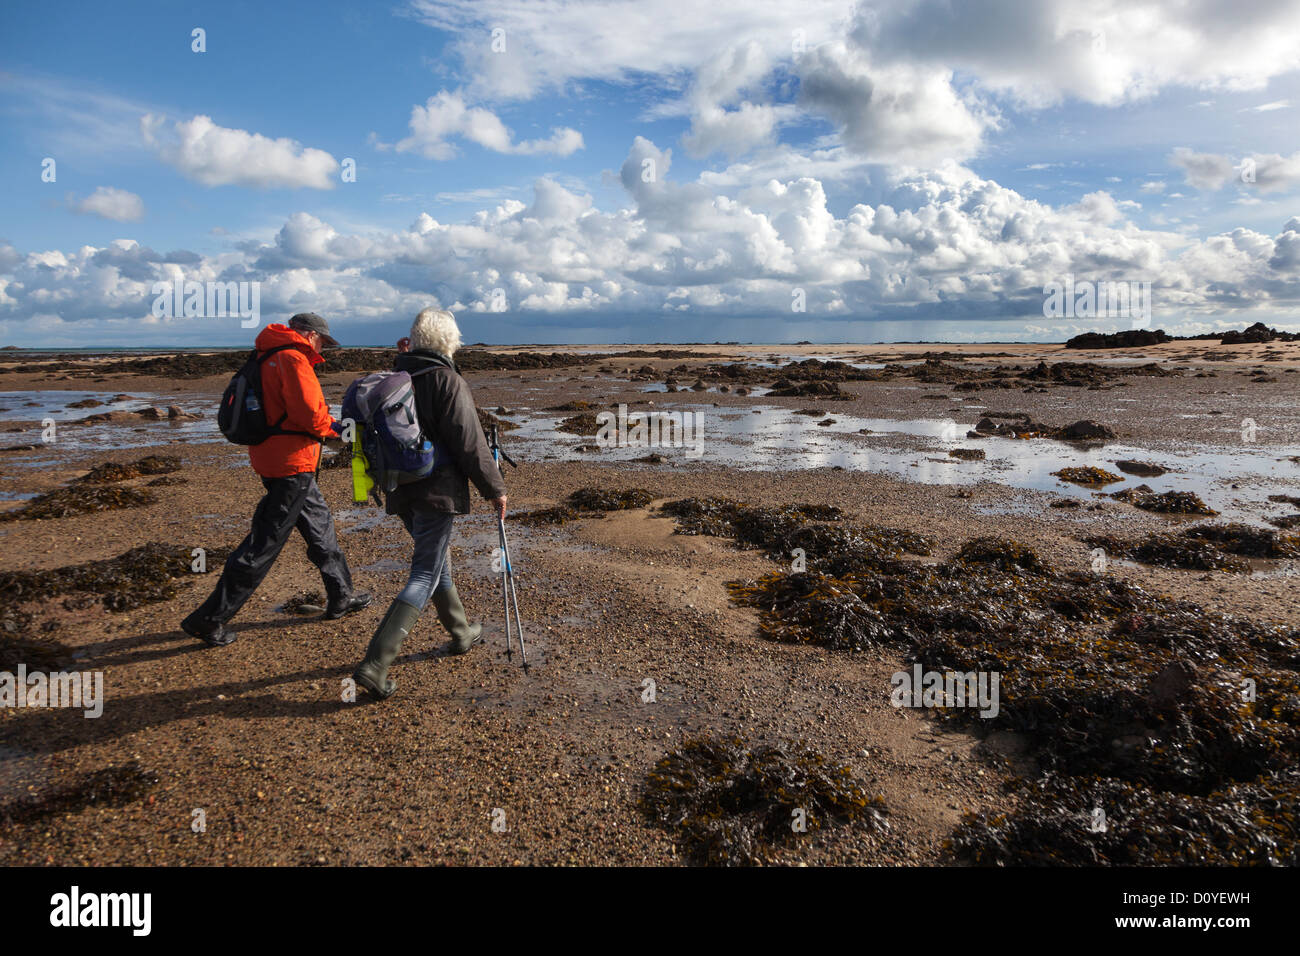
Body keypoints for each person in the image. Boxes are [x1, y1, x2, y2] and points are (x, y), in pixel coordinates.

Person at [182, 312, 372, 646]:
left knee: (320, 527)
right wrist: (337, 431)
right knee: (262, 545)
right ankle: (209, 618)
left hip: (275, 458)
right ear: (310, 334)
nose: (322, 347)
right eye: (322, 341)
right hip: (291, 464)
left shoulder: (265, 355)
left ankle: (342, 595)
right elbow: (309, 414)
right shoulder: (293, 358)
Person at [353, 308, 507, 700]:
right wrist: (495, 489)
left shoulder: (398, 378)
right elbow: (468, 441)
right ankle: (375, 664)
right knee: (424, 572)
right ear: (449, 341)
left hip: (400, 488)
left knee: (436, 562)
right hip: (436, 493)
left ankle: (460, 631)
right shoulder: (446, 379)